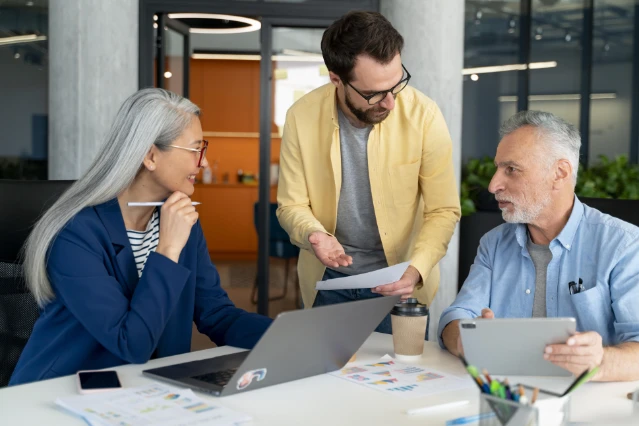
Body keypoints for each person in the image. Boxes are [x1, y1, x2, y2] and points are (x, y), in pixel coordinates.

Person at [10, 88, 272, 386]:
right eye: (195, 149)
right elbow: (130, 342)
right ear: (150, 155)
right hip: (63, 393)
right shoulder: (75, 233)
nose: (203, 164)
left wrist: (286, 336)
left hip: (146, 390)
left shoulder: (180, 220)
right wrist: (168, 249)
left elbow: (217, 314)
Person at [276, 11, 460, 334]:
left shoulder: (425, 116)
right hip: (327, 283)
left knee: (401, 381)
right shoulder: (300, 117)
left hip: (402, 282)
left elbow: (443, 210)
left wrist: (416, 270)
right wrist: (313, 234)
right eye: (374, 94)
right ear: (337, 80)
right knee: (326, 383)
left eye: (396, 84)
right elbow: (291, 205)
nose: (390, 103)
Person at [439, 110, 639, 381]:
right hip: (507, 398)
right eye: (498, 168)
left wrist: (599, 361)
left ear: (560, 173)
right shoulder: (494, 243)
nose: (493, 185)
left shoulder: (624, 245)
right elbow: (456, 316)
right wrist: (466, 338)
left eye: (511, 169)